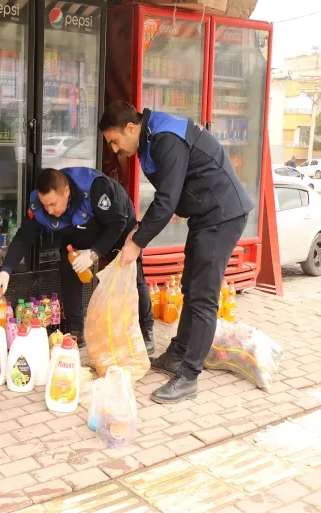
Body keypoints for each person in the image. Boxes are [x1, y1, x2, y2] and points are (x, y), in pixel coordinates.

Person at [99, 101, 254, 404]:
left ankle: (189, 376)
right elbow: (168, 195)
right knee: (190, 287)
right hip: (205, 214)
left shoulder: (165, 137)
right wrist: (139, 230)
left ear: (130, 128)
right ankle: (178, 353)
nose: (115, 149)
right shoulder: (151, 137)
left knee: (203, 296)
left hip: (223, 213)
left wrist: (137, 242)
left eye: (115, 141)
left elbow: (166, 200)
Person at [0, 167, 155, 352]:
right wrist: (6, 270)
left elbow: (117, 223)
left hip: (117, 224)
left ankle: (146, 329)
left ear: (67, 191)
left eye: (53, 204)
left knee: (132, 274)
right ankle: (76, 330)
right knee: (68, 267)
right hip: (79, 228)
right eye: (45, 205)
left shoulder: (94, 189)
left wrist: (93, 253)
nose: (49, 210)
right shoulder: (39, 204)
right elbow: (24, 237)